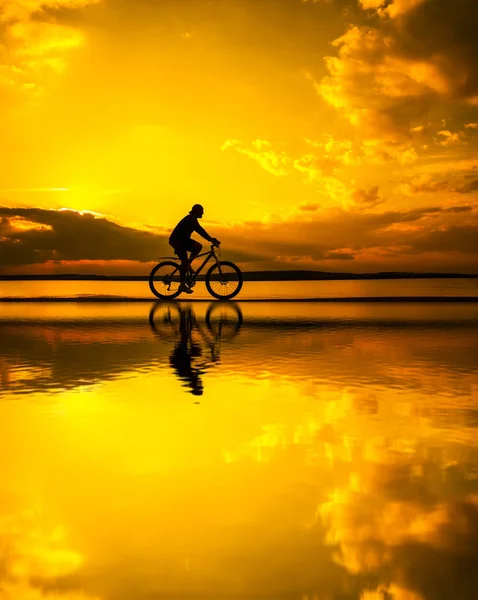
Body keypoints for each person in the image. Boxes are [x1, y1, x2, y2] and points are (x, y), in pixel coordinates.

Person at [169, 204, 220, 294]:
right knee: (184, 262)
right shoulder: (190, 219)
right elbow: (201, 231)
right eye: (201, 211)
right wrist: (211, 239)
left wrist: (211, 239)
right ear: (197, 212)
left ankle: (187, 265)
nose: (203, 213)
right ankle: (182, 284)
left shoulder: (193, 220)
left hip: (183, 240)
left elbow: (201, 230)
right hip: (177, 240)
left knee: (198, 247)